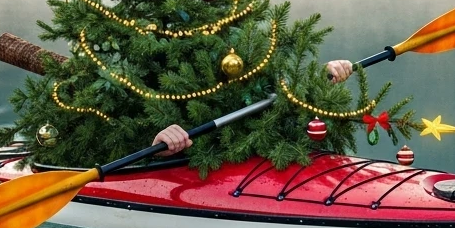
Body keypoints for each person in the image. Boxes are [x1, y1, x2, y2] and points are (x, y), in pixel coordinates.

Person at [151, 59, 354, 154]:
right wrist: (158, 148)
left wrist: (320, 75)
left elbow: (284, 96)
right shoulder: (161, 87)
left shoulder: (257, 68)